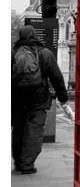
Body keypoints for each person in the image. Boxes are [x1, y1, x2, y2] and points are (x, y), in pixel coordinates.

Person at [11, 25, 71, 174]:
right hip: (37, 98)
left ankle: (18, 161)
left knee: (18, 130)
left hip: (17, 99)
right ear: (34, 35)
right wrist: (63, 98)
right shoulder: (44, 53)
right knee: (34, 130)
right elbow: (57, 78)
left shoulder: (13, 53)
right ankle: (27, 164)